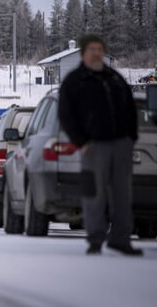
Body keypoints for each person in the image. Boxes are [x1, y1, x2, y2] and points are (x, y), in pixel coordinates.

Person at [58, 34, 142, 256]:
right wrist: (81, 142)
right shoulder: (75, 81)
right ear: (83, 53)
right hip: (93, 146)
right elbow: (66, 115)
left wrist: (130, 138)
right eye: (92, 49)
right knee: (94, 194)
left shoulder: (114, 78)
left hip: (121, 144)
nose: (96, 53)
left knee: (122, 194)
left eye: (99, 49)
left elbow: (130, 108)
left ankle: (121, 239)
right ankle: (95, 238)